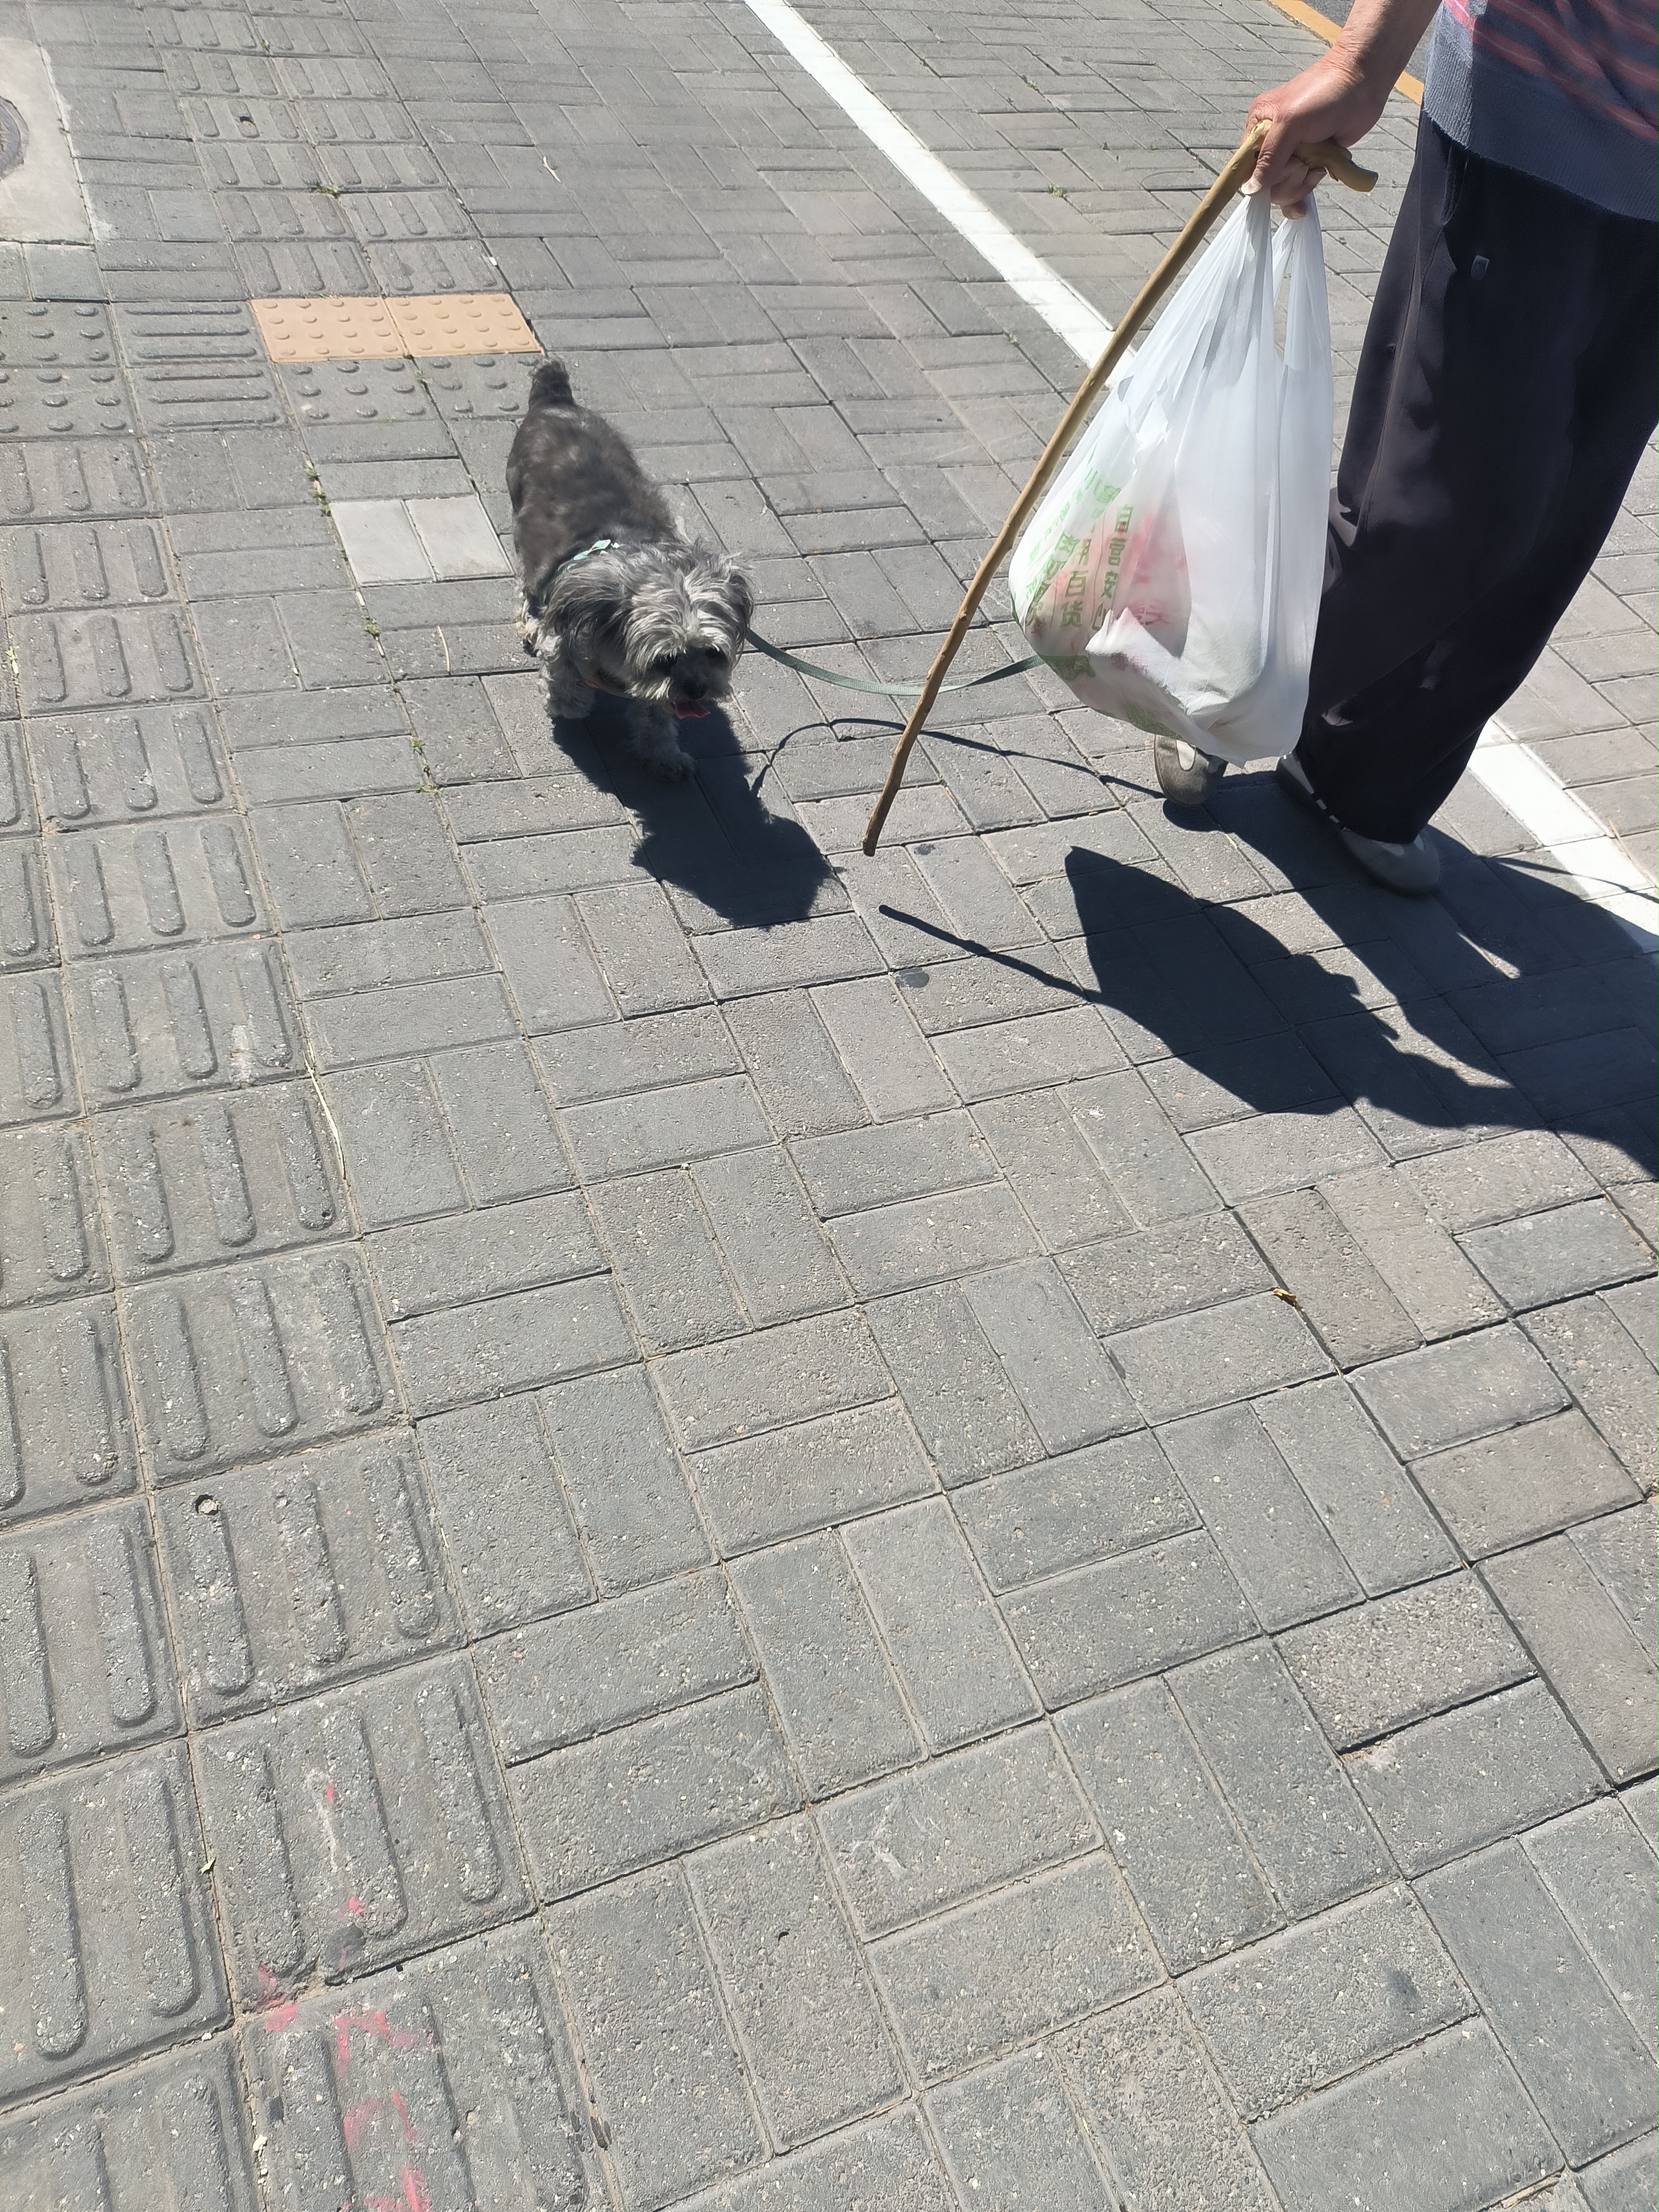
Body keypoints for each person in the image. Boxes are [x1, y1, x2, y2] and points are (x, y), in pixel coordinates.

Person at [1154, 0, 1659, 895]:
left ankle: (1358, 774)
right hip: (1543, 106)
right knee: (1442, 503)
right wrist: (1360, 63)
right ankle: (1225, 687)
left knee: (1554, 532)